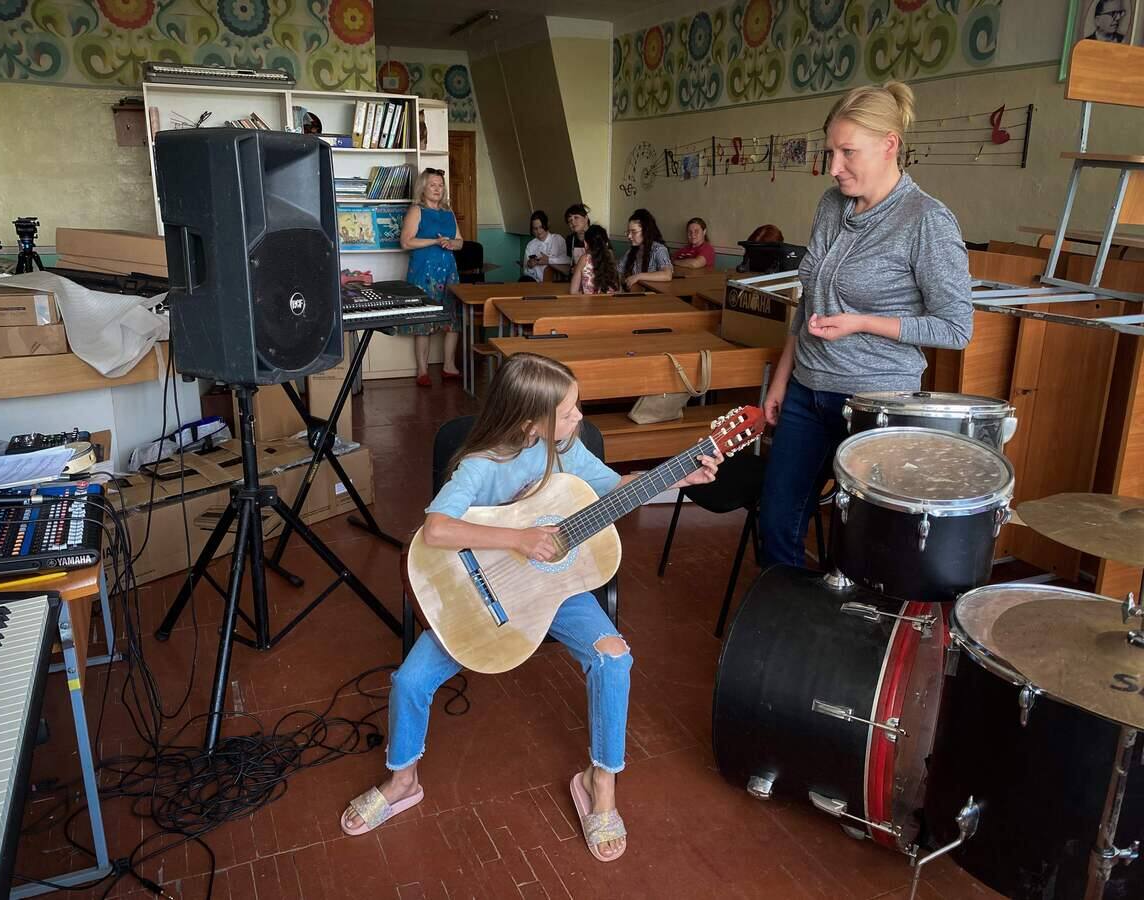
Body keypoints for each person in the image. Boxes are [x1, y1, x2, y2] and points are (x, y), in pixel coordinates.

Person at [339, 353, 722, 861]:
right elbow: (437, 529)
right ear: (529, 421)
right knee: (410, 680)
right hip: (482, 598)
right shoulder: (482, 465)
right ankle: (403, 780)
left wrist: (677, 478)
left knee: (615, 657)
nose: (579, 417)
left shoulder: (567, 448)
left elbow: (613, 491)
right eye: (568, 411)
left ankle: (599, 784)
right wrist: (518, 538)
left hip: (552, 593)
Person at [757, 81, 972, 569]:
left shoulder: (927, 220)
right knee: (775, 523)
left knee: (859, 547)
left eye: (847, 152)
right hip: (805, 395)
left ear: (889, 145)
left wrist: (863, 323)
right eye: (831, 151)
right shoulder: (830, 205)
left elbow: (956, 329)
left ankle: (845, 638)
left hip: (875, 405)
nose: (834, 166)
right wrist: (783, 379)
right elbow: (809, 300)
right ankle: (789, 629)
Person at [399, 168, 462, 387]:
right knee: (423, 322)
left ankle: (449, 366)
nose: (437, 189)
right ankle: (422, 371)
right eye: (433, 185)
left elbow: (460, 242)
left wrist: (450, 243)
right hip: (423, 273)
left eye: (440, 185)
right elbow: (406, 242)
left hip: (448, 271)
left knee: (453, 319)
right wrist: (434, 241)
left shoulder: (449, 212)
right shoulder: (417, 210)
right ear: (423, 188)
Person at [619, 208, 673, 289]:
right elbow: (618, 270)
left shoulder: (658, 249)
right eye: (628, 232)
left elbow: (667, 275)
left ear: (646, 231)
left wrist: (638, 276)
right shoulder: (632, 250)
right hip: (636, 293)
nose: (629, 236)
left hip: (652, 297)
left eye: (634, 232)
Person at [569, 225, 620, 294]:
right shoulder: (611, 257)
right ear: (606, 243)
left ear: (585, 243)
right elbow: (617, 289)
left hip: (589, 303)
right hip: (611, 303)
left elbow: (573, 291)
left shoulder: (584, 259)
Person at [521, 211, 568, 282]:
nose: (539, 231)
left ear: (547, 224)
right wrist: (529, 265)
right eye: (535, 229)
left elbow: (566, 261)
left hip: (555, 281)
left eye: (541, 227)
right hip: (535, 282)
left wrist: (548, 260)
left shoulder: (557, 239)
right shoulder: (530, 245)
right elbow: (526, 270)